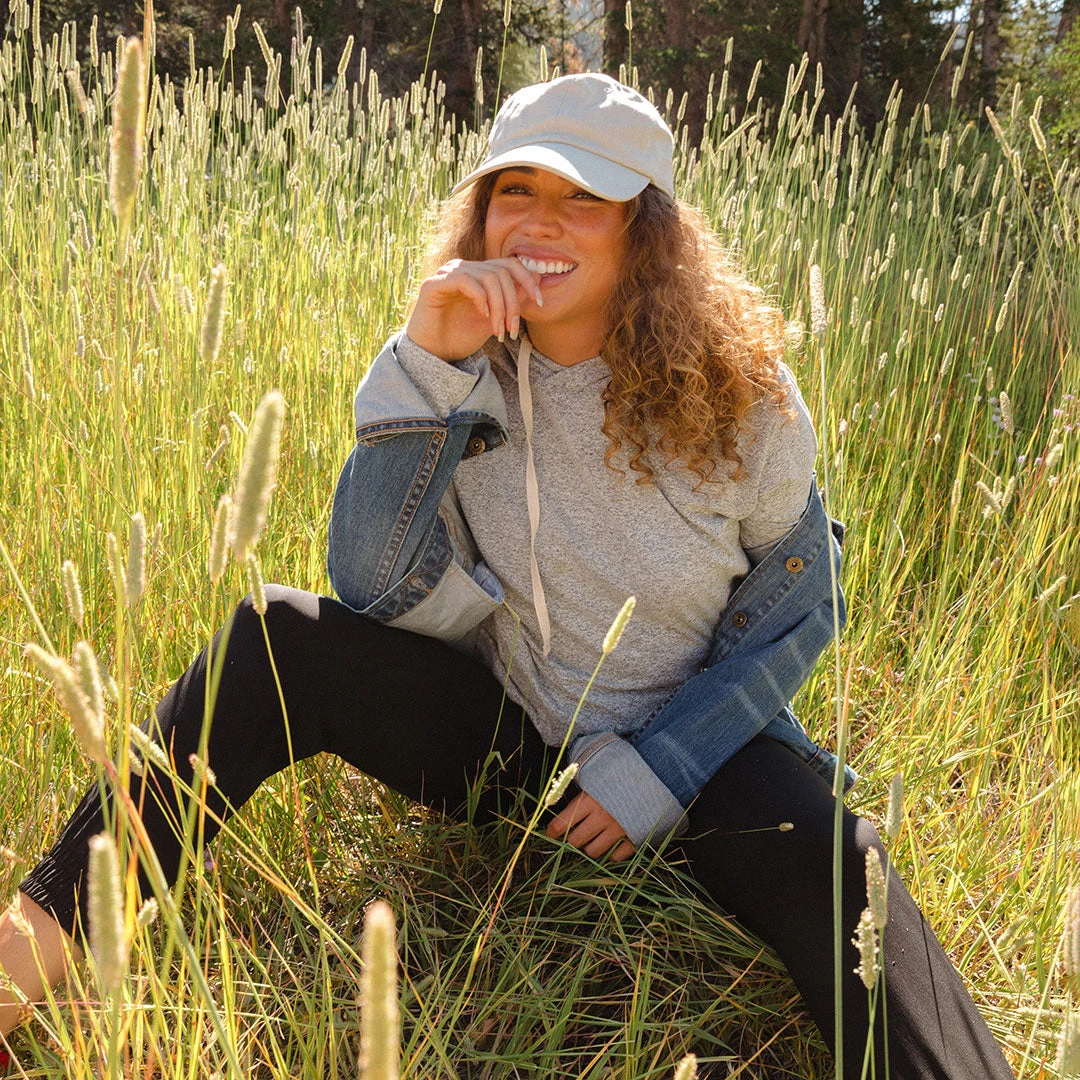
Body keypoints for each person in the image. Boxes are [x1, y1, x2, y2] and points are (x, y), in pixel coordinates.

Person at [1, 73, 1013, 1078]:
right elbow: (370, 583)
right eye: (515, 189)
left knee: (843, 864)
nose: (541, 221)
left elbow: (799, 606)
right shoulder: (458, 361)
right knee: (276, 638)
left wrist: (660, 768)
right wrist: (425, 367)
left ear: (646, 231)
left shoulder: (742, 393)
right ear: (481, 212)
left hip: (695, 756)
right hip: (513, 744)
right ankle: (15, 976)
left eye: (585, 197)